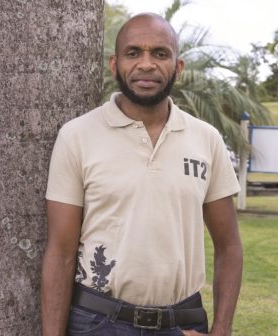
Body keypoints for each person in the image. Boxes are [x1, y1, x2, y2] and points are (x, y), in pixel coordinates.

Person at [41, 13, 243, 336]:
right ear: (114, 64)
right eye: (133, 53)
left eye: (160, 53)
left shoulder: (206, 140)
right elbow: (61, 252)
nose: (146, 64)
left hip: (183, 323)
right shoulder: (77, 136)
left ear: (178, 67)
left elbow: (229, 246)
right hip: (98, 323)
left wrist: (221, 331)